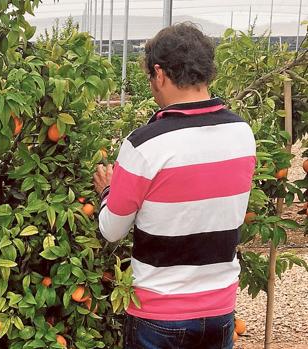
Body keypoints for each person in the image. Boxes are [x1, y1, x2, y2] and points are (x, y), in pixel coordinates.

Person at [93, 23, 256, 349]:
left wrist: (108, 191)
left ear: (159, 73)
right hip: (221, 311)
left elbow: (112, 230)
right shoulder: (242, 134)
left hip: (160, 314)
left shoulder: (144, 145)